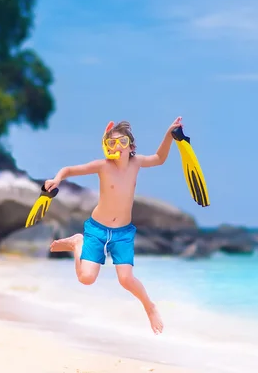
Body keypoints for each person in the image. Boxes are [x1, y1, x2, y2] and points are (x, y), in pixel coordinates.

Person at [45, 117, 183, 335]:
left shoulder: (136, 164)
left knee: (126, 279)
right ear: (106, 147)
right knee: (86, 279)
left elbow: (159, 158)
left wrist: (169, 134)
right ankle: (77, 242)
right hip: (97, 229)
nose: (117, 147)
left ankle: (150, 307)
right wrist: (57, 179)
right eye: (112, 143)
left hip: (123, 234)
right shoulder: (102, 166)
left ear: (131, 146)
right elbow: (70, 169)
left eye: (122, 142)